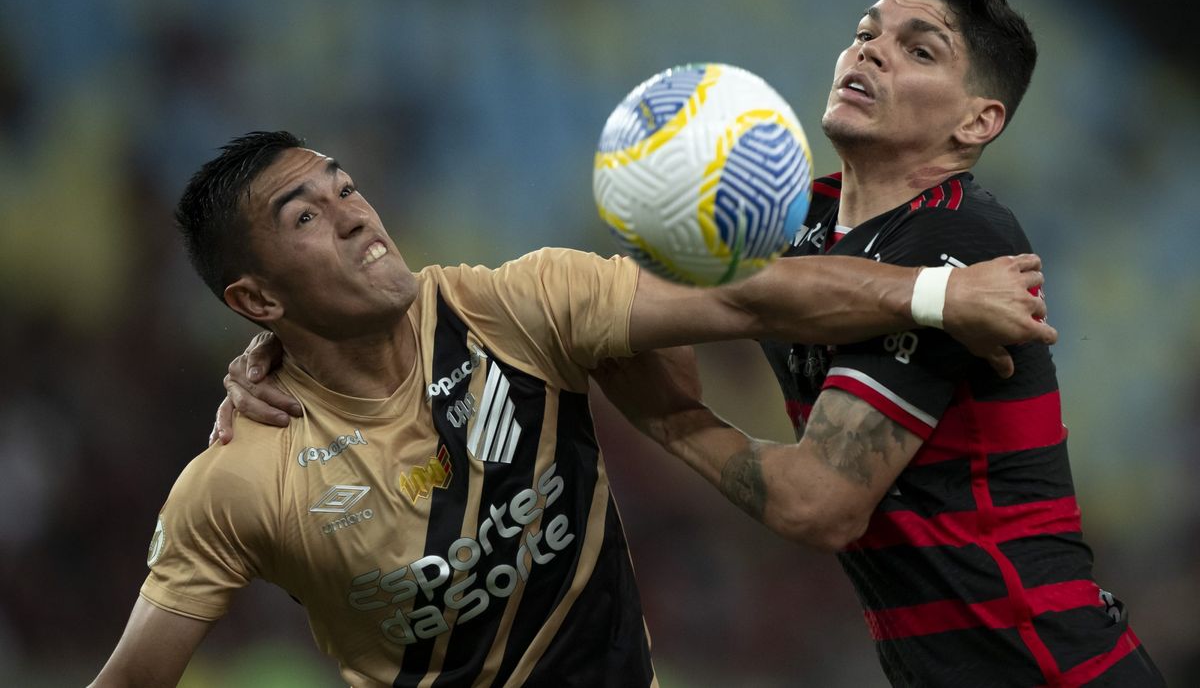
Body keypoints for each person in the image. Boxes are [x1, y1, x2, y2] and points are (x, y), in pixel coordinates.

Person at [220, 0, 1165, 687]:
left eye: (919, 49)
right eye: (866, 30)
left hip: (1053, 667)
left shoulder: (959, 232)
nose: (868, 50)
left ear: (975, 123)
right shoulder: (791, 214)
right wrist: (304, 341)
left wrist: (677, 424)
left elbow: (819, 503)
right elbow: (575, 296)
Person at [90, 131, 1051, 688]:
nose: (353, 214)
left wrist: (933, 296)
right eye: (305, 216)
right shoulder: (238, 478)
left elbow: (741, 301)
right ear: (257, 301)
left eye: (347, 188)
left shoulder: (516, 306)